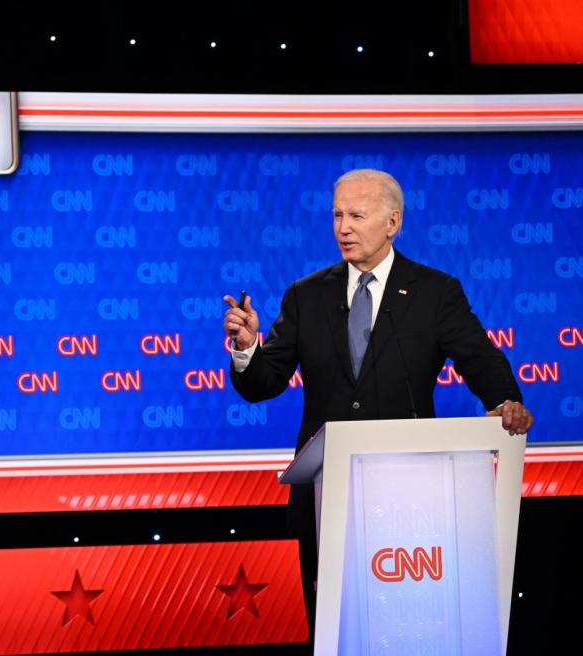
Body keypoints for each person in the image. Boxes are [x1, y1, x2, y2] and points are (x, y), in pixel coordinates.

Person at [222, 168, 532, 624]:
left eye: (356, 216)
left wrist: (505, 400)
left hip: (409, 495)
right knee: (332, 631)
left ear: (392, 222)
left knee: (407, 624)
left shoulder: (434, 292)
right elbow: (263, 383)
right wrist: (249, 347)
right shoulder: (305, 295)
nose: (343, 228)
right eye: (337, 215)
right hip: (326, 499)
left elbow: (479, 359)